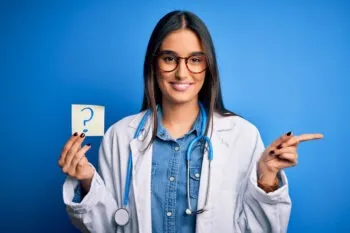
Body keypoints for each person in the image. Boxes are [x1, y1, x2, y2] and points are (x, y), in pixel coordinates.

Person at [58, 10, 323, 233]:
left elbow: (261, 229)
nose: (182, 72)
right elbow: (107, 226)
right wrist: (86, 180)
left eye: (195, 60)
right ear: (154, 64)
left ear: (208, 68)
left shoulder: (242, 135)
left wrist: (267, 177)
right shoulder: (120, 136)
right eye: (170, 58)